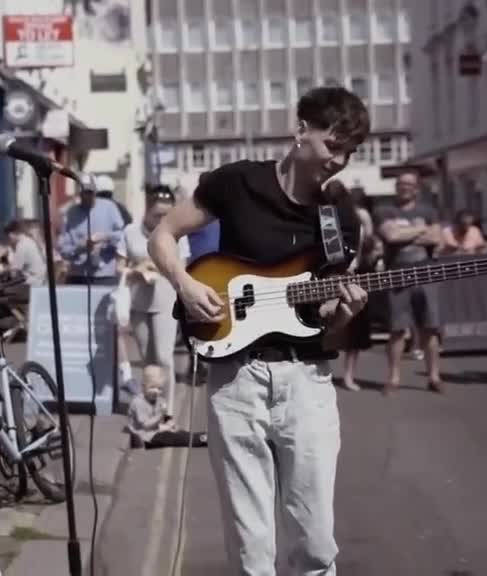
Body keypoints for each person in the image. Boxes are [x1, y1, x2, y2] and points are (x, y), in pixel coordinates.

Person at [149, 86, 369, 575]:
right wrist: (184, 284)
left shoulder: (341, 219)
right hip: (235, 380)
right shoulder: (237, 183)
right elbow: (163, 235)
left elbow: (329, 322)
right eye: (334, 146)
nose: (340, 160)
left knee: (313, 541)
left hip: (305, 383)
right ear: (300, 132)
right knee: (251, 548)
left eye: (350, 152)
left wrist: (345, 314)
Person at [117, 187, 189, 416]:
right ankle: (150, 408)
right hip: (138, 301)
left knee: (164, 357)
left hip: (165, 299)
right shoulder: (130, 232)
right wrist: (134, 269)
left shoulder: (178, 232)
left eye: (166, 214)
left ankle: (167, 410)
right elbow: (119, 265)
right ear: (147, 210)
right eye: (157, 214)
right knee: (148, 359)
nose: (162, 219)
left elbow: (183, 267)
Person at [375, 172, 445, 395]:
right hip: (397, 274)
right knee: (397, 330)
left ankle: (434, 377)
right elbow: (391, 237)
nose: (404, 187)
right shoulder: (383, 209)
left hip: (426, 273)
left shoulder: (429, 211)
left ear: (417, 189)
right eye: (400, 184)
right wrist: (422, 230)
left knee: (430, 328)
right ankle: (393, 379)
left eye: (409, 184)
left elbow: (437, 239)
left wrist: (406, 233)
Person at [338, 183, 378, 392]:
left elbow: (369, 240)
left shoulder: (360, 216)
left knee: (354, 328)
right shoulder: (326, 216)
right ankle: (345, 375)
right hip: (337, 274)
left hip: (355, 273)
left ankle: (348, 375)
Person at [56, 184, 125, 285]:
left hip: (105, 275)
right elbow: (63, 248)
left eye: (91, 192)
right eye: (85, 193)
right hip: (78, 275)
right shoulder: (71, 213)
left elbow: (122, 235)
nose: (88, 196)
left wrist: (105, 237)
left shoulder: (109, 207)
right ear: (80, 194)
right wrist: (80, 248)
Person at [127, 365, 207, 449]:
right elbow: (146, 425)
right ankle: (201, 439)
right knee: (176, 438)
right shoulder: (138, 402)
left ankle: (204, 436)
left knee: (180, 433)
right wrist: (164, 424)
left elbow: (165, 417)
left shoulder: (158, 400)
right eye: (152, 387)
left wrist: (170, 422)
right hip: (146, 436)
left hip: (156, 430)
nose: (156, 391)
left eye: (159, 388)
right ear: (143, 386)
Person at [6, 219, 47, 285]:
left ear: (11, 234)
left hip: (32, 283)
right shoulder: (29, 241)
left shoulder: (22, 245)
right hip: (40, 280)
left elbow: (14, 272)